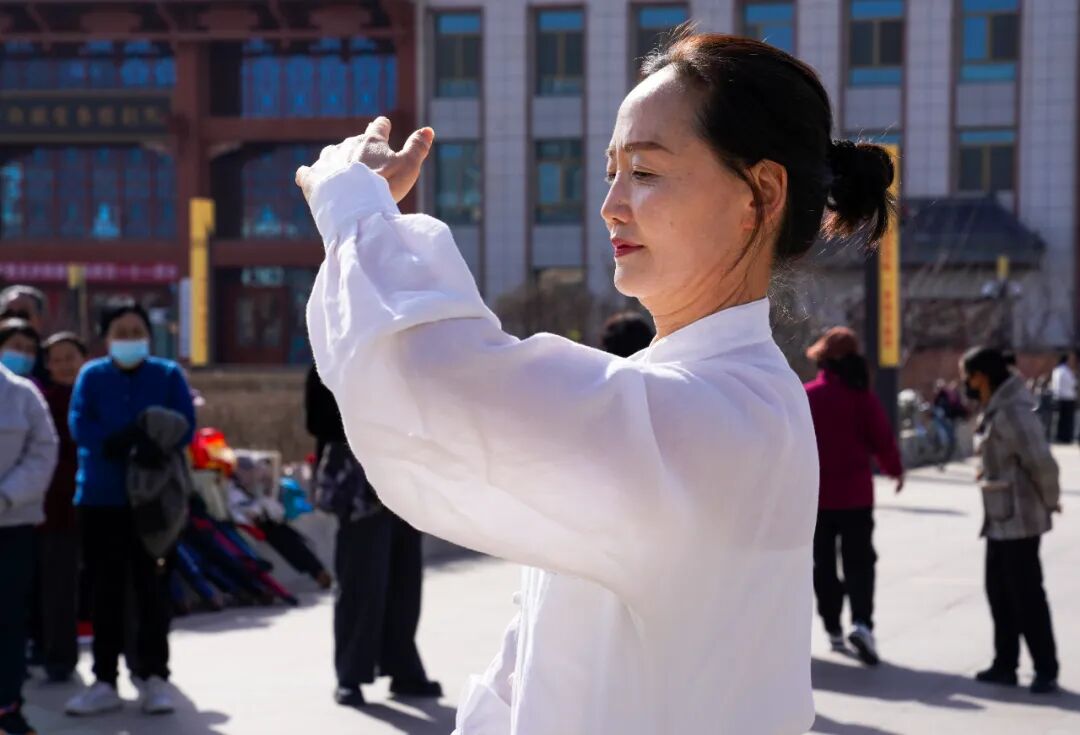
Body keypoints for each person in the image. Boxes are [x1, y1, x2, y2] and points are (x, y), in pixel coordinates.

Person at [297, 32, 895, 734]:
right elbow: (536, 660)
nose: (612, 204)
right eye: (612, 172)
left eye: (644, 171)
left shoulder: (726, 416)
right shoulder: (696, 393)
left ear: (760, 194)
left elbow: (434, 385)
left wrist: (354, 204)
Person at [65, 299, 195, 717]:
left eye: (136, 332)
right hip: (101, 499)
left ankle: (155, 676)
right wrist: (115, 441)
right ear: (105, 338)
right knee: (105, 591)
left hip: (153, 503)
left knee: (151, 590)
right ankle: (104, 679)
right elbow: (80, 423)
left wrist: (154, 444)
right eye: (120, 333)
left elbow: (186, 424)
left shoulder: (167, 375)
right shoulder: (92, 376)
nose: (129, 339)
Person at [305, 365, 441, 707]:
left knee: (405, 583)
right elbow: (318, 420)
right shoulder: (336, 355)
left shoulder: (404, 354)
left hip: (404, 480)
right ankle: (349, 676)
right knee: (359, 582)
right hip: (359, 490)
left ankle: (404, 669)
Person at [962, 347, 1061, 695]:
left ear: (982, 377)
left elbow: (1041, 461)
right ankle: (1005, 663)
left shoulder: (1013, 410)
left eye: (968, 376)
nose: (966, 383)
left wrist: (1051, 500)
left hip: (1020, 519)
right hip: (999, 517)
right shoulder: (996, 407)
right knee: (999, 592)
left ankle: (1045, 668)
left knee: (1026, 595)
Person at [804, 328, 903, 666]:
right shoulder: (862, 397)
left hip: (816, 499)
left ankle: (832, 626)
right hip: (856, 497)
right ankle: (861, 623)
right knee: (860, 562)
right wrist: (894, 470)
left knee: (823, 565)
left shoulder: (808, 396)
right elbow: (882, 438)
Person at [0, 323, 58, 735]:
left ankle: (7, 706)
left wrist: (6, 496)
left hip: (12, 525)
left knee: (8, 621)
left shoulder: (22, 395)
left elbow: (43, 451)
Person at [34, 333, 89, 683]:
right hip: (55, 509)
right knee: (57, 588)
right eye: (57, 359)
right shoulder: (40, 401)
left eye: (71, 357)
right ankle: (59, 657)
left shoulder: (97, 395)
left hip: (101, 502)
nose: (65, 365)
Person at [0, 285, 50, 384]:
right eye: (8, 314)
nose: (14, 320)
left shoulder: (53, 363)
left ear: (40, 320)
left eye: (23, 315)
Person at [1049, 353, 1076, 443]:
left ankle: (1059, 436)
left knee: (1059, 419)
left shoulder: (1056, 370)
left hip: (1058, 397)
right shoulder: (1067, 371)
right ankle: (1066, 437)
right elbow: (1073, 383)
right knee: (1067, 420)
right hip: (1067, 398)